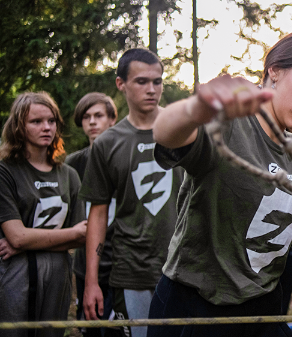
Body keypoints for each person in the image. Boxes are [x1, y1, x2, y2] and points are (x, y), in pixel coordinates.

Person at [147, 29, 292, 337]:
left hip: (261, 309)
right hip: (193, 309)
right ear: (275, 70)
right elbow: (165, 134)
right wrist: (197, 107)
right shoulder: (230, 124)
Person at [79, 49, 184, 337]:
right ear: (120, 84)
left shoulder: (184, 129)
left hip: (184, 267)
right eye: (141, 81)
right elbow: (97, 213)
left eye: (157, 81)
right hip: (131, 270)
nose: (152, 89)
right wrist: (91, 282)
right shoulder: (107, 143)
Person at [0, 92, 87, 337]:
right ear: (19, 126)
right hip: (15, 274)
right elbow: (15, 237)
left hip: (58, 274)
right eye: (36, 122)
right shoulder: (5, 171)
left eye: (51, 121)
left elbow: (83, 236)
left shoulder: (69, 175)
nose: (46, 127)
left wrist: (28, 242)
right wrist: (24, 242)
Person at [66, 92, 118, 337]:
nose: (92, 122)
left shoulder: (126, 155)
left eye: (99, 115)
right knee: (90, 331)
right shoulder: (72, 165)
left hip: (123, 263)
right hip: (86, 264)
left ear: (112, 119)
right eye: (86, 117)